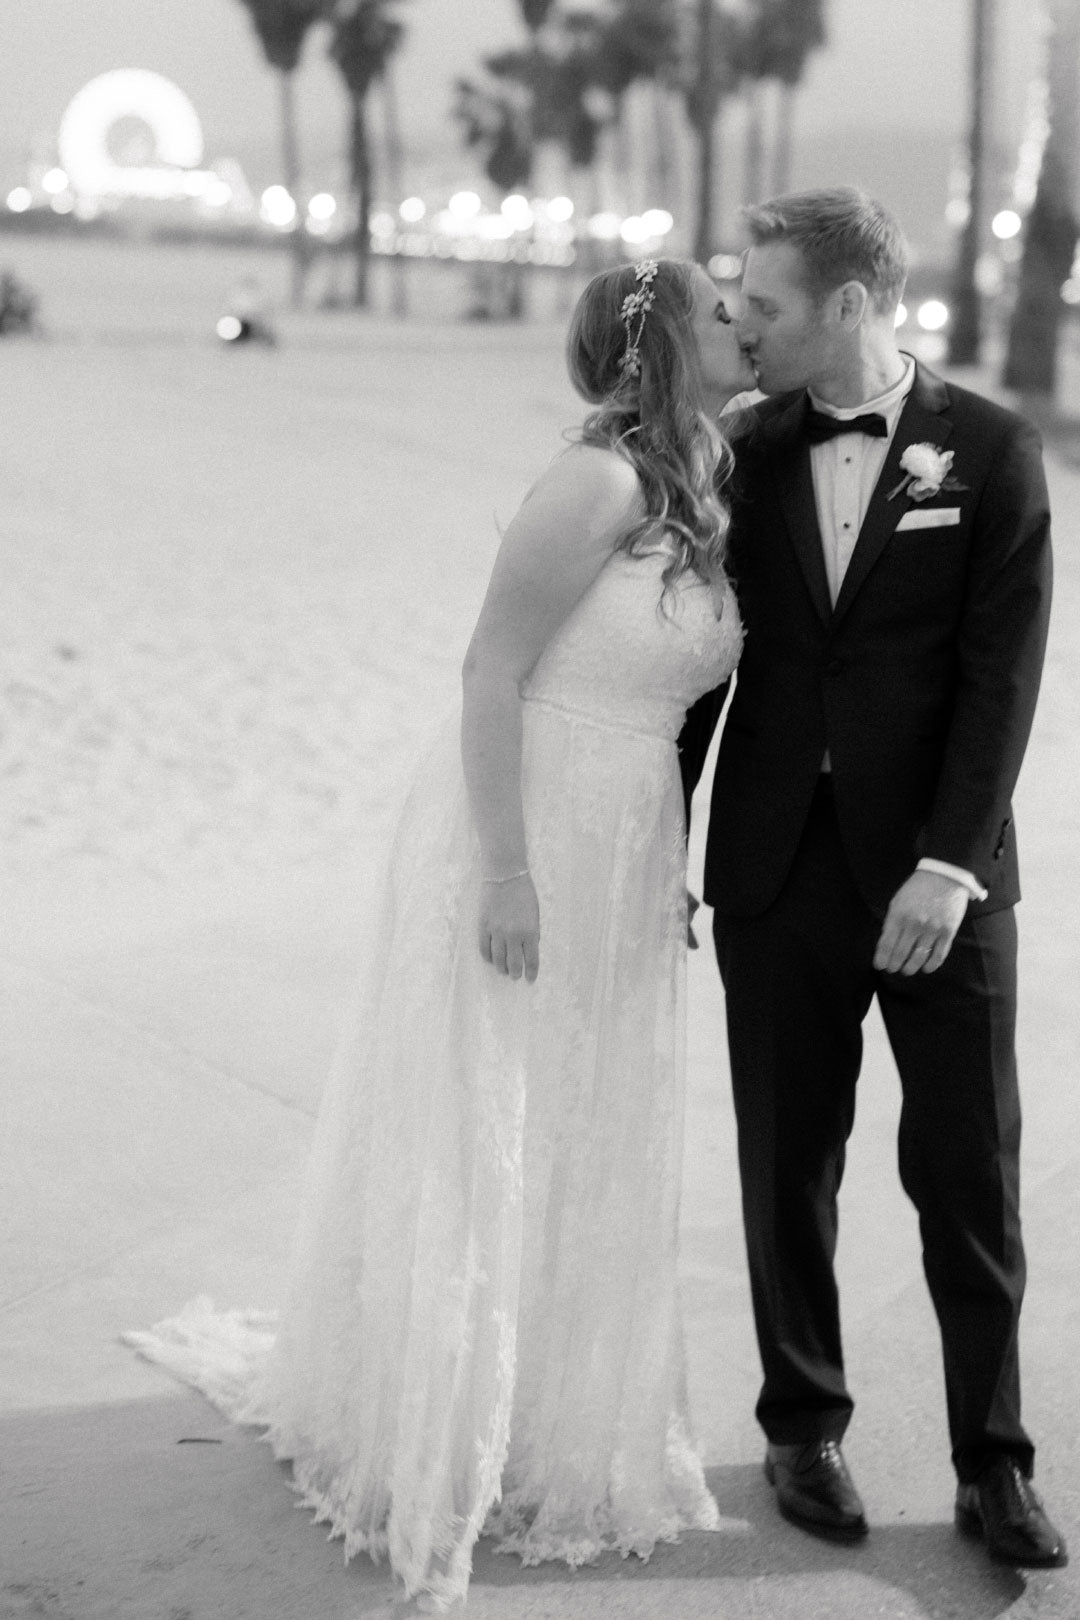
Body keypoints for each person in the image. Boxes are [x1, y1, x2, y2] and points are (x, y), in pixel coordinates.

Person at [126, 257, 754, 1612]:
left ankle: (551, 1419)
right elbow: (492, 669)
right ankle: (441, 1416)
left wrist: (669, 865)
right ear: (662, 344)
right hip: (525, 828)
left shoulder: (700, 481)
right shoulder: (594, 484)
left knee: (584, 1126)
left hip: (630, 834)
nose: (744, 322)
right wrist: (509, 872)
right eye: (723, 309)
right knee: (495, 1120)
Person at [678, 187, 1066, 1568]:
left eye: (764, 302)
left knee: (969, 1173)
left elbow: (1000, 682)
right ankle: (803, 1426)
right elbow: (693, 666)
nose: (743, 321)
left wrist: (949, 865)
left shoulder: (996, 452)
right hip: (776, 874)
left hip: (939, 888)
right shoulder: (744, 451)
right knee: (790, 1165)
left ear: (849, 305)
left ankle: (995, 1461)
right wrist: (662, 845)